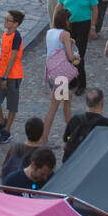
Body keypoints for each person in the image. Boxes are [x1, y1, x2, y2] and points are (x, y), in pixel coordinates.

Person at [42, 7, 80, 142]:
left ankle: (71, 135)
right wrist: (77, 57)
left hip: (52, 72)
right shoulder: (65, 34)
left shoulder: (49, 32)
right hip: (62, 76)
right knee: (54, 107)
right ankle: (44, 139)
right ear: (65, 20)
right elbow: (70, 57)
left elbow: (55, 48)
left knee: (67, 101)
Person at [57, 0, 98, 92]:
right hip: (68, 26)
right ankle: (72, 80)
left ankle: (81, 83)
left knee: (78, 55)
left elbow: (95, 9)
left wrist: (92, 27)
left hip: (83, 25)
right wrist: (55, 24)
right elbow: (59, 6)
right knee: (67, 54)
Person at [0, 10, 25, 143]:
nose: (5, 21)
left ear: (15, 24)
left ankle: (7, 130)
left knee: (12, 105)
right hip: (1, 73)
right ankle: (1, 121)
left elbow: (13, 57)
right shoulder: (5, 34)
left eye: (8, 20)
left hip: (13, 76)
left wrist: (5, 77)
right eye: (5, 18)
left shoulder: (16, 36)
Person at [62, 87, 108, 161]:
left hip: (74, 162)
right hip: (93, 163)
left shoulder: (75, 119)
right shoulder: (107, 123)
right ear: (102, 103)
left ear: (86, 102)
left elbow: (65, 145)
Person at [1, 116, 45, 181]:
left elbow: (4, 168)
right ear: (42, 133)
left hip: (10, 183)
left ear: (26, 131)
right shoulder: (43, 153)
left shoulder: (14, 147)